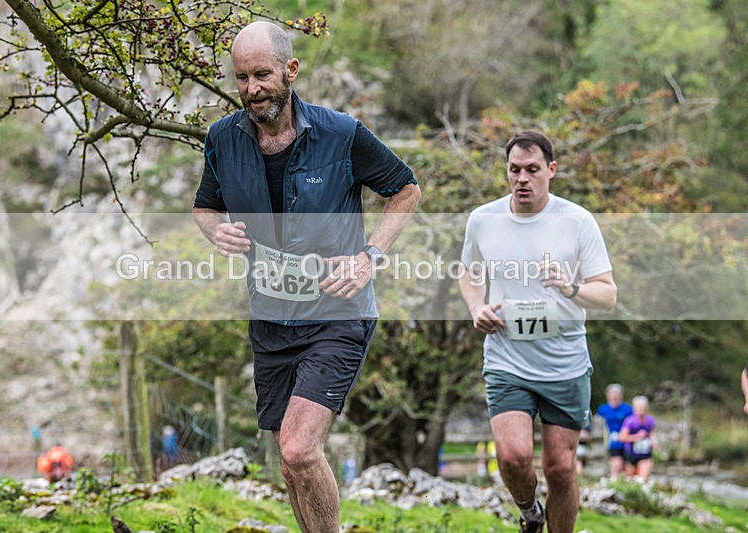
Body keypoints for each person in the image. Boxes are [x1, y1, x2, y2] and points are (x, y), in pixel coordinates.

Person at [192, 21, 421, 533]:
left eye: (261, 75)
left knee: (299, 448)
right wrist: (217, 232)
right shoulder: (222, 138)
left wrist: (370, 257)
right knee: (289, 459)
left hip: (337, 312)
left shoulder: (341, 133)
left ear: (290, 70)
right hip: (271, 318)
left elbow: (406, 190)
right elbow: (205, 207)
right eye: (241, 78)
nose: (251, 89)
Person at [459, 131, 617, 533]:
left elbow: (608, 294)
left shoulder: (577, 221)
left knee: (560, 469)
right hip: (507, 358)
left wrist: (570, 288)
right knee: (511, 458)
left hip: (564, 362)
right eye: (514, 170)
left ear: (551, 170)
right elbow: (470, 274)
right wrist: (477, 307)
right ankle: (531, 513)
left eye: (532, 170)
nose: (522, 179)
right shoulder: (483, 220)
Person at [596, 383, 633, 479]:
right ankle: (615, 480)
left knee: (628, 467)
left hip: (626, 441)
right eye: (612, 394)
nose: (615, 397)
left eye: (617, 394)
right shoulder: (602, 409)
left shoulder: (627, 409)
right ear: (608, 396)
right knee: (616, 464)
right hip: (611, 441)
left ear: (621, 396)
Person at [619, 396, 658, 483]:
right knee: (630, 480)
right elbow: (622, 437)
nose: (641, 410)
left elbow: (651, 433)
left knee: (643, 479)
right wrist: (637, 436)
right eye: (639, 407)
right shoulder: (630, 421)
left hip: (645, 452)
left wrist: (654, 441)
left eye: (643, 407)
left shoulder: (650, 420)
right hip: (631, 453)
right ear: (634, 408)